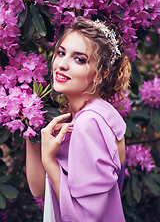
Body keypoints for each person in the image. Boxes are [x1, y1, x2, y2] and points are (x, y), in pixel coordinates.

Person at [26, 16, 131, 222]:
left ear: (100, 75)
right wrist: (29, 127)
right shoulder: (93, 114)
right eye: (61, 53)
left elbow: (84, 217)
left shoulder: (89, 123)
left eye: (79, 59)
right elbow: (39, 189)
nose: (62, 65)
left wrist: (49, 159)